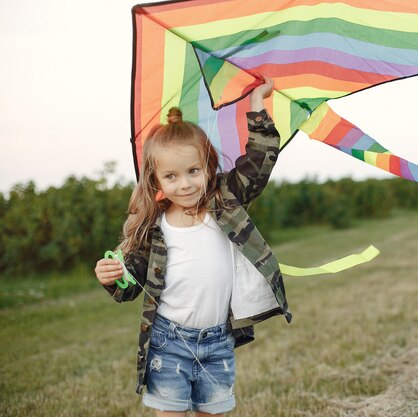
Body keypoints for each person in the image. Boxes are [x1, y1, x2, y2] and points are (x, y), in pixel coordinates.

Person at [94, 75, 291, 417]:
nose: (184, 184)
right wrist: (113, 276)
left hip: (218, 341)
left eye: (193, 171)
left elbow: (260, 160)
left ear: (208, 167)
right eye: (171, 176)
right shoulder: (153, 227)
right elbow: (131, 284)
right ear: (156, 180)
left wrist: (257, 104)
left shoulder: (225, 201)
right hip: (168, 342)